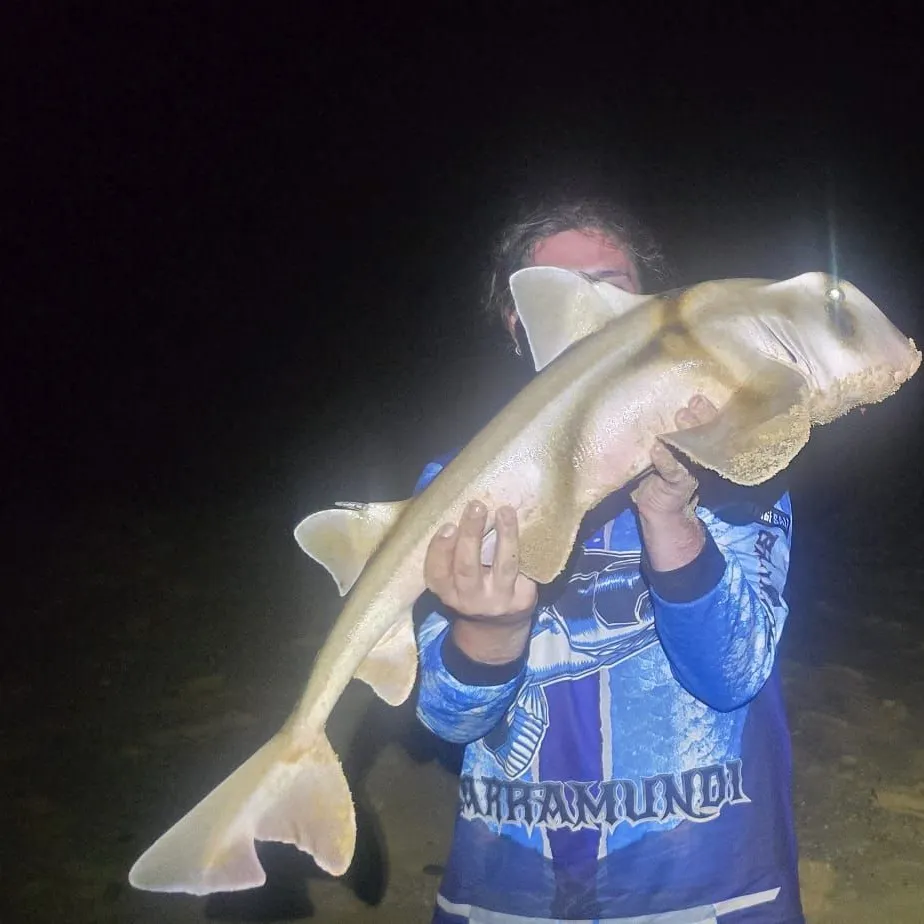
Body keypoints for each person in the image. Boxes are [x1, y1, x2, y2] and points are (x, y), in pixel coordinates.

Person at [413, 199, 803, 923]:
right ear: (514, 321)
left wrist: (670, 516)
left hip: (709, 883)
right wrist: (488, 637)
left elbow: (733, 675)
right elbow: (446, 719)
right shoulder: (457, 484)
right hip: (509, 885)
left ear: (651, 306)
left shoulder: (736, 466)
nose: (582, 306)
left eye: (607, 284)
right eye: (548, 291)